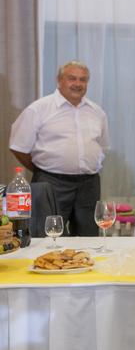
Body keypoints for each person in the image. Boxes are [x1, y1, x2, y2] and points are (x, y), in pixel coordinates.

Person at [9, 61, 109, 236]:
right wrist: (42, 169)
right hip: (51, 183)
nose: (78, 84)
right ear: (59, 80)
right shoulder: (38, 109)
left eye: (83, 79)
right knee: (48, 236)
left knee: (90, 237)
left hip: (89, 185)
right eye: (72, 78)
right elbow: (18, 147)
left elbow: (102, 146)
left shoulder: (97, 112)